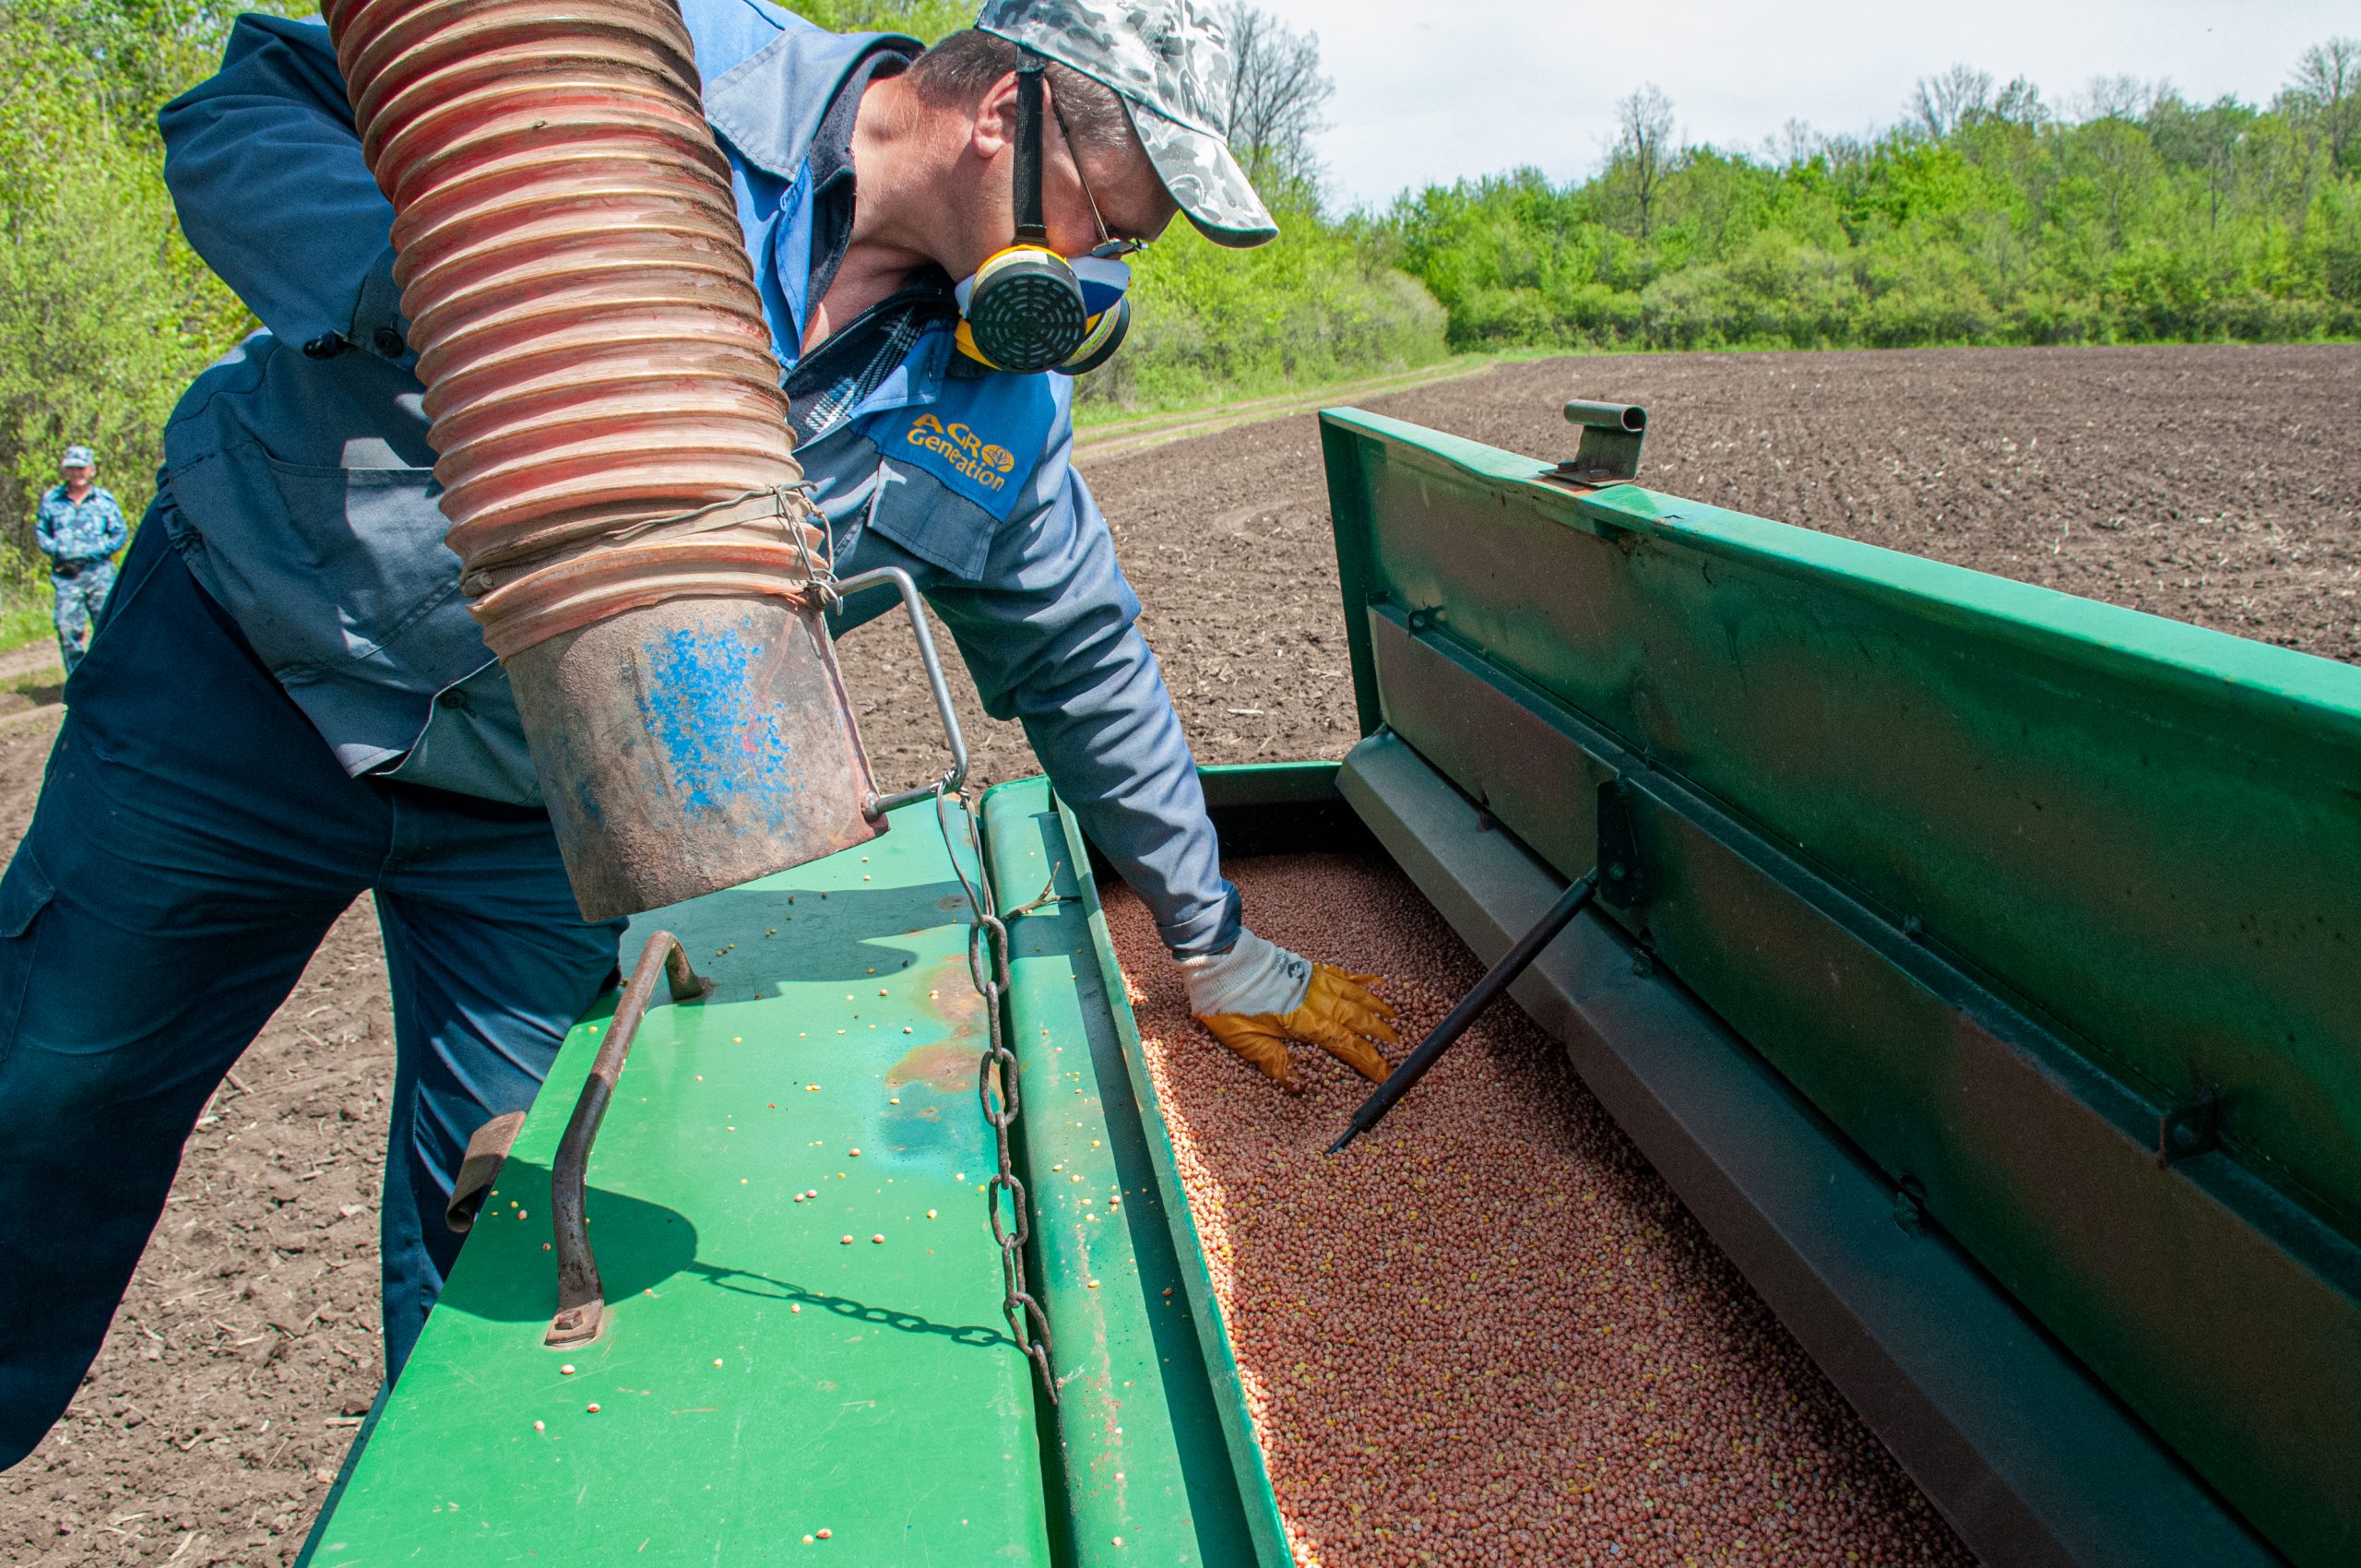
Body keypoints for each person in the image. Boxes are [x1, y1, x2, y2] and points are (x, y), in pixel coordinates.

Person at [0, 0, 1398, 1471]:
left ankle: (472, 1499)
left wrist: (1212, 935)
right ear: (1010, 117)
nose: (1106, 273)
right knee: (56, 1087)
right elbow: (244, 111)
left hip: (546, 802)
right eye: (1116, 218)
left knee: (523, 1210)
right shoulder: (673, 54)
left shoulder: (991, 401)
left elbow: (1085, 654)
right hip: (251, 667)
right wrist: (433, 276)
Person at [31, 445, 128, 676]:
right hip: (67, 576)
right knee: (67, 630)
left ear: (91, 470)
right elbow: (42, 532)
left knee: (108, 627)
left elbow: (119, 534)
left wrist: (95, 550)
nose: (77, 473)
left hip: (99, 573)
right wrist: (60, 550)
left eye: (81, 468)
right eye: (72, 468)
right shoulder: (52, 500)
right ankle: (79, 681)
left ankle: (114, 678)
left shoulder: (103, 500)